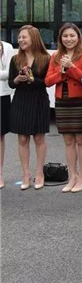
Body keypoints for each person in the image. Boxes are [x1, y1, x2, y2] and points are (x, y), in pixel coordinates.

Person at [45, 23, 82, 193]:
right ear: (60, 39)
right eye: (65, 36)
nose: (69, 39)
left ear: (78, 37)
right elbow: (48, 81)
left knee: (81, 139)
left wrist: (71, 67)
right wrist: (62, 70)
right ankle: (72, 176)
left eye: (72, 35)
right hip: (62, 101)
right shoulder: (56, 56)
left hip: (80, 100)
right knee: (68, 140)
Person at [8, 25, 51, 190]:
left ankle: (40, 173)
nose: (21, 40)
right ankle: (25, 174)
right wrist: (18, 79)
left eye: (24, 37)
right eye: (19, 37)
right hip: (21, 100)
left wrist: (33, 79)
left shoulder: (45, 58)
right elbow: (11, 83)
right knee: (23, 138)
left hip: (39, 100)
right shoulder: (15, 59)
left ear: (33, 38)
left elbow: (47, 82)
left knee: (39, 138)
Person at [1, 36, 16, 189]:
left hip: (2, 96)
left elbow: (9, 74)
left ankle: (0, 174)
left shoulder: (7, 47)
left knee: (0, 137)